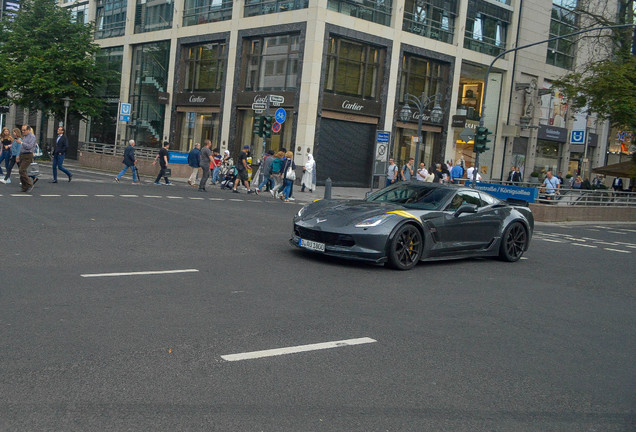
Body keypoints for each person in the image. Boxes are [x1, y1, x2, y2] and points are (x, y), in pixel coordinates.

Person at [17, 124, 37, 193]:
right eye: (22, 130)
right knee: (22, 171)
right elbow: (22, 147)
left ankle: (29, 184)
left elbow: (29, 146)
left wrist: (21, 143)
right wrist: (18, 155)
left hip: (28, 155)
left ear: (28, 130)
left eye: (24, 130)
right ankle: (24, 187)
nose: (23, 131)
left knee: (22, 170)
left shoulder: (32, 136)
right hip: (23, 154)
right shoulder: (25, 136)